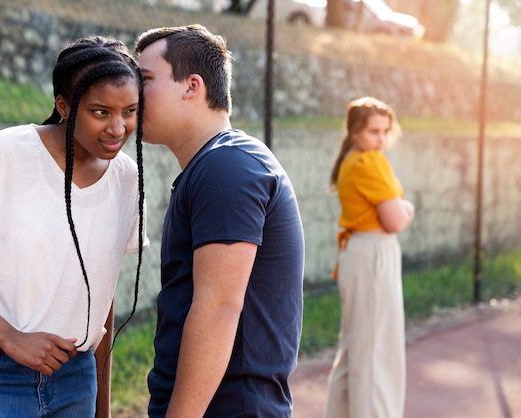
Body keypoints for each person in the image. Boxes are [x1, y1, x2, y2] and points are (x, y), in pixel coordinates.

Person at [0, 35, 148, 418]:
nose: (117, 127)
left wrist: (101, 405)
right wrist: (10, 337)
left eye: (130, 111)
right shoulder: (2, 154)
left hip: (76, 373)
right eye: (100, 112)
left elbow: (102, 297)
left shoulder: (127, 177)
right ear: (63, 106)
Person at [134, 24, 305, 417]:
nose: (132, 94)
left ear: (192, 86)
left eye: (144, 80)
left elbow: (217, 308)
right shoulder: (219, 162)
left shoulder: (226, 166)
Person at [325, 96, 414, 418]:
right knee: (375, 352)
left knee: (356, 349)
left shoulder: (351, 160)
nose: (381, 139)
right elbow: (395, 220)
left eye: (385, 131)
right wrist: (408, 207)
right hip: (374, 254)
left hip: (358, 255)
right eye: (374, 131)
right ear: (355, 132)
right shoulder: (369, 161)